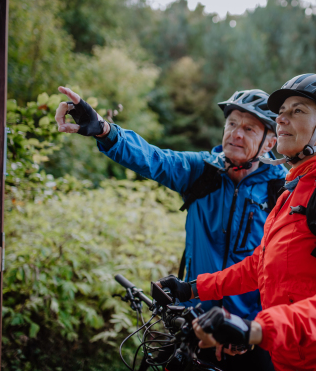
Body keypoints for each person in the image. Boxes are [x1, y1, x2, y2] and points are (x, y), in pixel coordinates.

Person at [160, 74, 316, 370]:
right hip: (289, 357)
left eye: (297, 111)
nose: (281, 119)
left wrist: (255, 329)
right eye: (281, 112)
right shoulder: (293, 189)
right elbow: (261, 266)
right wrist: (193, 288)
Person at [54, 86, 286, 370]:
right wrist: (105, 130)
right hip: (196, 322)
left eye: (249, 129)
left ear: (269, 143)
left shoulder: (283, 192)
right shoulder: (202, 171)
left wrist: (254, 328)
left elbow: (286, 271)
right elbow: (154, 159)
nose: (236, 133)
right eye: (232, 124)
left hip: (251, 330)